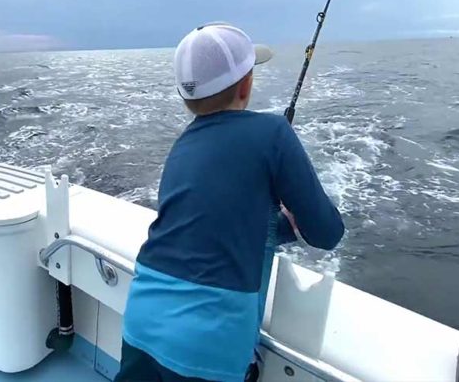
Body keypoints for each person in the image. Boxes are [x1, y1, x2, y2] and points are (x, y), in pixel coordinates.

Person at [115, 23, 345, 381]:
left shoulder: (181, 148)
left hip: (142, 320)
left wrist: (276, 223)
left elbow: (210, 228)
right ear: (246, 85)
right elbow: (327, 233)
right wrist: (296, 219)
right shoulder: (273, 133)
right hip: (210, 345)